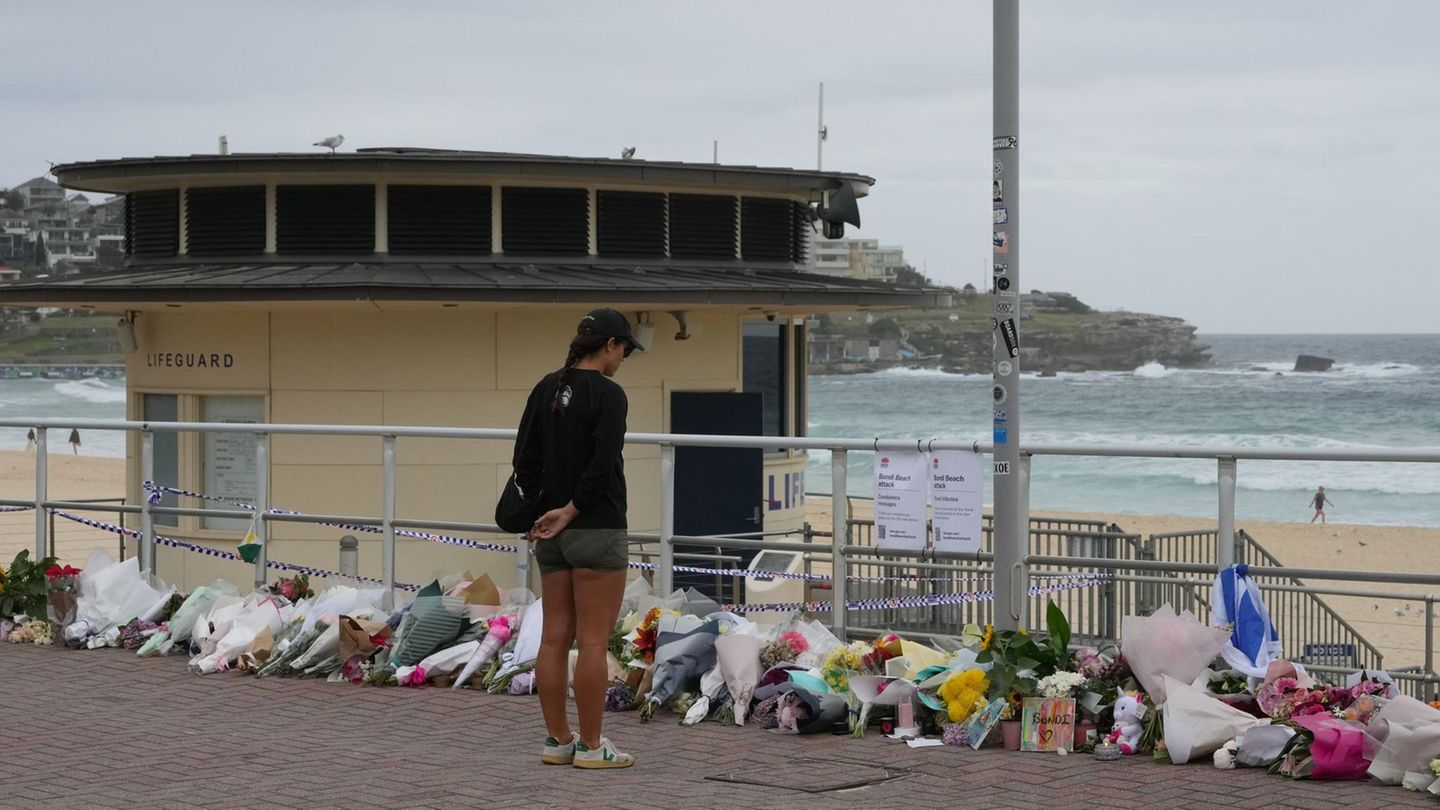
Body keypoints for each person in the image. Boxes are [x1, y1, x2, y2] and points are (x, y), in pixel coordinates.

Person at [512, 308, 643, 770]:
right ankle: (591, 746)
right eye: (624, 348)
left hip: (550, 531)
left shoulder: (546, 387)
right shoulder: (609, 394)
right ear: (609, 344)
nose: (624, 357)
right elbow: (603, 462)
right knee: (592, 641)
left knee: (552, 639)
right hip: (596, 526)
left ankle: (557, 740)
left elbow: (524, 461)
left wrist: (542, 516)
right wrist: (573, 510)